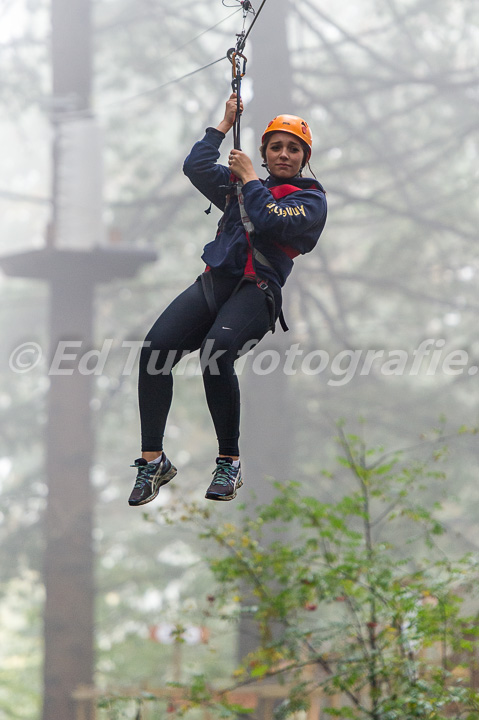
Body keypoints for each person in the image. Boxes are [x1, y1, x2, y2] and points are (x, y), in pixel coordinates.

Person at [128, 93, 327, 506]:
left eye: (293, 148)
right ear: (265, 152)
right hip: (216, 282)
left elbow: (272, 218)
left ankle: (229, 462)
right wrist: (223, 124)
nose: (284, 154)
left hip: (257, 291)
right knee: (154, 353)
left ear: (305, 157)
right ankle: (153, 460)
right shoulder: (243, 186)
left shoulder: (309, 199)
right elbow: (196, 167)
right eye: (276, 147)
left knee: (215, 354)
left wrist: (250, 178)